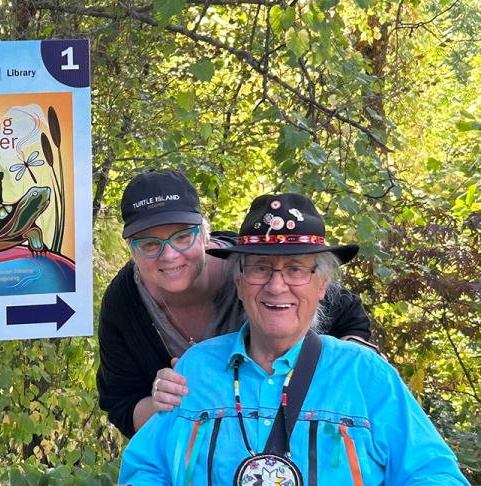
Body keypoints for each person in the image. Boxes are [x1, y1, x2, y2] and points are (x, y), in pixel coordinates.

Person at [108, 193, 474, 486]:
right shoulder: (196, 369)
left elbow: (442, 482)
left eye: (296, 269)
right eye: (260, 269)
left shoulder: (365, 374)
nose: (276, 286)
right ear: (238, 283)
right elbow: (149, 468)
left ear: (322, 284)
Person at [97, 170, 375, 438]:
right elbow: (122, 405)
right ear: (132, 249)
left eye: (182, 237)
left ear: (203, 233)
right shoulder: (123, 305)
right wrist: (164, 404)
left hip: (304, 439)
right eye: (149, 244)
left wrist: (347, 376)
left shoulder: (257, 264)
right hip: (200, 457)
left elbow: (347, 316)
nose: (169, 255)